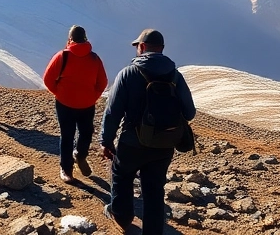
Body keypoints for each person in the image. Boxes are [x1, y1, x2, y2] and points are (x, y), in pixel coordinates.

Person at [100, 29, 196, 235]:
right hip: (164, 144)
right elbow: (189, 112)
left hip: (132, 143)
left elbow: (113, 112)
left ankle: (122, 217)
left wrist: (106, 141)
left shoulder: (128, 73)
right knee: (154, 190)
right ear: (161, 49)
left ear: (141, 47)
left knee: (122, 176)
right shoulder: (175, 76)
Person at [43, 25, 109, 183]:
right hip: (87, 105)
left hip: (64, 104)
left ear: (70, 40)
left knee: (67, 136)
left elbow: (47, 79)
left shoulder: (62, 56)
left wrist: (59, 93)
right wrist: (93, 97)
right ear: (86, 39)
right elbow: (103, 82)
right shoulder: (94, 58)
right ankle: (80, 154)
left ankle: (66, 170)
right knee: (86, 133)